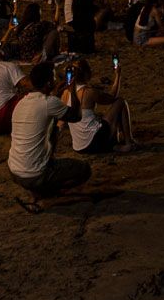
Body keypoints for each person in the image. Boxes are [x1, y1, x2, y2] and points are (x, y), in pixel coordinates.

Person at [9, 60, 89, 207]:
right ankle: (50, 192)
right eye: (53, 78)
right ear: (47, 83)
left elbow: (45, 110)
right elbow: (76, 116)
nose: (55, 80)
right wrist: (72, 89)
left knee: (52, 130)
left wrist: (55, 94)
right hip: (35, 174)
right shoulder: (49, 102)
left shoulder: (21, 102)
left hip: (15, 171)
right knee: (84, 169)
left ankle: (40, 189)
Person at [62, 58, 137, 154]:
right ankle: (128, 142)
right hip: (94, 142)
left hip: (79, 147)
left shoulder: (65, 93)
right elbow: (112, 97)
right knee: (120, 102)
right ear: (87, 74)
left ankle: (113, 145)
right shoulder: (89, 92)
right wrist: (118, 75)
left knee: (99, 117)